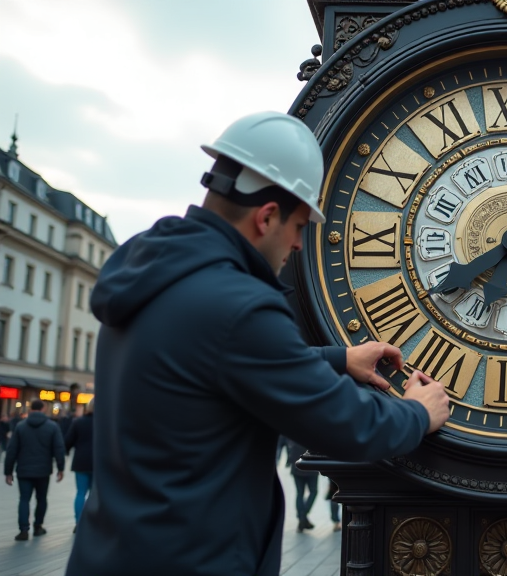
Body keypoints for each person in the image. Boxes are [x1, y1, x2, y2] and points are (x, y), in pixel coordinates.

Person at [65, 111, 450, 576]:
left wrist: (338, 358)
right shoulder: (239, 304)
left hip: (112, 553)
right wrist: (418, 412)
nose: (298, 246)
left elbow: (206, 363)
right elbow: (348, 425)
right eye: (300, 227)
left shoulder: (158, 273)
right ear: (267, 217)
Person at [4, 399, 65, 541]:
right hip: (43, 470)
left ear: (31, 409)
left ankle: (23, 530)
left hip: (24, 470)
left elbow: (11, 450)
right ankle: (38, 527)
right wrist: (60, 468)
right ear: (43, 408)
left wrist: (8, 471)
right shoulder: (52, 426)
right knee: (41, 499)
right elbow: (59, 448)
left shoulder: (20, 426)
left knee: (24, 499)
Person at [64, 398, 95, 531]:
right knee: (94, 494)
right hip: (98, 463)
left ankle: (78, 522)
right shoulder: (106, 422)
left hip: (81, 461)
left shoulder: (78, 422)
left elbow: (68, 441)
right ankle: (92, 522)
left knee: (80, 492)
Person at [284, 437, 318, 533]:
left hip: (297, 467)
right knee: (313, 491)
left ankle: (302, 518)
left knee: (300, 493)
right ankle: (303, 516)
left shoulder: (296, 434)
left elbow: (290, 448)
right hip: (311, 467)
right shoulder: (313, 434)